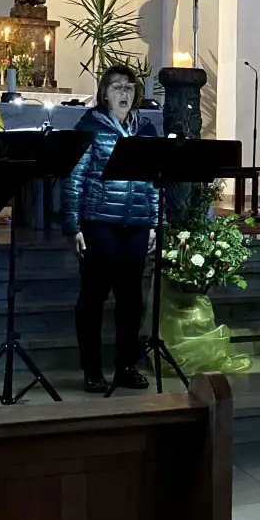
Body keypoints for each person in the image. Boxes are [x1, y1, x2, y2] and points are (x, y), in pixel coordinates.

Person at [62, 65, 159, 393]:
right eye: (117, 87)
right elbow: (74, 177)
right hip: (99, 222)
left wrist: (155, 224)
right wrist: (73, 224)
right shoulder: (89, 127)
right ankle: (92, 369)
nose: (124, 93)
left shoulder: (144, 130)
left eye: (130, 88)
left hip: (136, 223)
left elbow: (154, 182)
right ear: (104, 93)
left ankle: (126, 366)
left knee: (132, 299)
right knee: (94, 295)